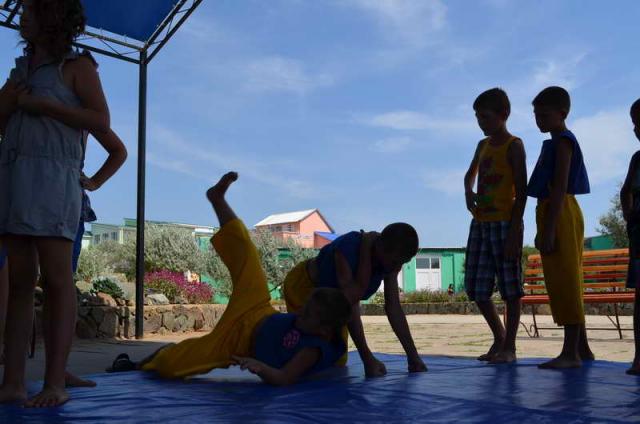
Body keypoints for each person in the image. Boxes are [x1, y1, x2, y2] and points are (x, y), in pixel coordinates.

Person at [111, 172, 353, 386]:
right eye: (305, 308)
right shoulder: (316, 323)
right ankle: (217, 199)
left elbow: (284, 379)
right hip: (257, 309)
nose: (299, 313)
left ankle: (138, 364)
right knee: (248, 256)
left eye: (308, 315)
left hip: (236, 344)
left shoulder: (312, 350)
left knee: (172, 366)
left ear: (323, 329)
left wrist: (260, 367)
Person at [0, 0, 117, 407]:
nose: (21, 16)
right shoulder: (20, 70)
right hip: (14, 180)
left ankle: (55, 384)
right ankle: (12, 381)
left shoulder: (77, 67)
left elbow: (101, 122)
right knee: (18, 285)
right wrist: (9, 104)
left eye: (31, 9)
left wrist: (45, 105)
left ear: (52, 17)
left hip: (53, 183)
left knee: (56, 281)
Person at [283, 222, 426, 377]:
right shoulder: (349, 247)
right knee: (309, 352)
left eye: (402, 263)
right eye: (395, 262)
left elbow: (393, 307)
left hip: (334, 300)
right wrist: (367, 358)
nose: (397, 267)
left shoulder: (391, 261)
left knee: (336, 359)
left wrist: (413, 356)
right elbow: (350, 301)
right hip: (305, 290)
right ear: (380, 247)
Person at [528, 86, 594, 369]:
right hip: (550, 210)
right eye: (535, 115)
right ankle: (582, 347)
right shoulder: (552, 143)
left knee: (567, 281)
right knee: (561, 280)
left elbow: (560, 187)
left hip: (562, 211)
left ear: (562, 114)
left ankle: (570, 352)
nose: (539, 120)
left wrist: (551, 227)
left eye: (544, 115)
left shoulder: (564, 142)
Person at [463, 88, 527, 364]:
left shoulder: (514, 145)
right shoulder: (482, 145)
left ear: (503, 115)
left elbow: (523, 191)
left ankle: (509, 347)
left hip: (505, 223)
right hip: (480, 224)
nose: (481, 123)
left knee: (511, 288)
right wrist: (468, 191)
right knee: (476, 288)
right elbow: (470, 174)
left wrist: (515, 230)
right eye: (477, 118)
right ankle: (498, 337)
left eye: (486, 117)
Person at [620, 98, 640, 375]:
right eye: (634, 123)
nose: (637, 129)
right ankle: (639, 357)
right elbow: (625, 191)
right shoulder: (637, 159)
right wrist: (628, 214)